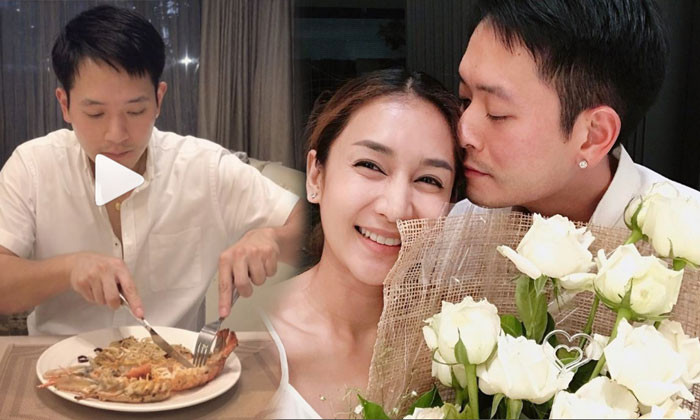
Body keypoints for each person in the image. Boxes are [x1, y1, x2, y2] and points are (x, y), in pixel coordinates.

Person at [0, 5, 303, 335]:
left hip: (176, 363)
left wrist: (272, 239)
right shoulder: (33, 167)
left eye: (135, 111)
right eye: (95, 114)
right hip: (57, 359)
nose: (116, 135)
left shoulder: (204, 169)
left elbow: (312, 224)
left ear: (159, 100)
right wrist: (69, 269)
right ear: (65, 105)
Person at [263, 69, 464, 419]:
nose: (395, 209)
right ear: (316, 177)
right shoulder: (247, 344)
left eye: (429, 180)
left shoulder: (460, 344)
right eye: (370, 165)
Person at [452, 0, 700, 226]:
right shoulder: (457, 225)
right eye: (465, 99)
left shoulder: (686, 238)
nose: (463, 133)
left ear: (593, 137)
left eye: (497, 113)